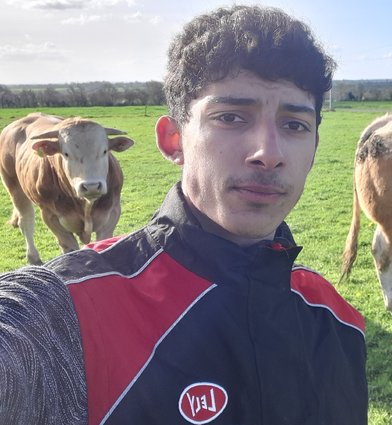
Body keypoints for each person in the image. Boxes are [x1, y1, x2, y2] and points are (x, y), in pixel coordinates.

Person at [0, 5, 367, 424]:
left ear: (316, 145)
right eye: (230, 117)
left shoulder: (338, 319)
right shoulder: (62, 315)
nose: (268, 152)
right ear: (174, 139)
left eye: (295, 125)